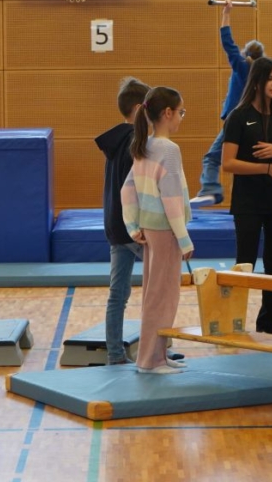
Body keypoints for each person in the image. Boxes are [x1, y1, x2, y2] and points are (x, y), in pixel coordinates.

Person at [121, 86, 194, 375]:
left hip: (151, 229)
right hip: (165, 231)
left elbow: (127, 189)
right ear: (167, 113)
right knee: (163, 297)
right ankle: (151, 360)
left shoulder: (145, 145)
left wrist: (132, 226)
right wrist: (184, 239)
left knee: (156, 294)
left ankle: (156, 355)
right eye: (181, 112)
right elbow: (171, 199)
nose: (182, 118)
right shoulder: (169, 150)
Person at [221, 57, 272, 334]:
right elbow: (228, 163)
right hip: (248, 202)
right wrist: (267, 168)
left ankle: (267, 327)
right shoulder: (238, 116)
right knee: (245, 262)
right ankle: (234, 323)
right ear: (257, 81)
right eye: (270, 79)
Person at [94, 76, 151, 366]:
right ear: (141, 109)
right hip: (134, 229)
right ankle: (155, 349)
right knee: (158, 291)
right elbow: (139, 190)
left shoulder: (116, 142)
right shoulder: (136, 143)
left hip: (116, 227)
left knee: (118, 294)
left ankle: (115, 353)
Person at [194, 0, 265, 206]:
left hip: (237, 121)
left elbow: (228, 43)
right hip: (254, 123)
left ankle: (211, 189)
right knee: (244, 162)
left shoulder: (242, 66)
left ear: (245, 54)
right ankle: (253, 199)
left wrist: (226, 14)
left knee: (212, 158)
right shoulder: (262, 72)